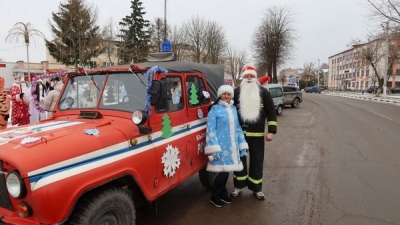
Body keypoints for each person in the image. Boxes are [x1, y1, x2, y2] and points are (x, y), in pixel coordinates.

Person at [231, 65, 277, 200]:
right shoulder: (236, 92)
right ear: (243, 78)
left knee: (257, 161)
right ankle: (238, 186)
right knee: (239, 161)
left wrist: (271, 131)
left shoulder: (263, 92)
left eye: (251, 76)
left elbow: (271, 112)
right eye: (247, 76)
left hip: (257, 135)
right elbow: (228, 111)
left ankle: (257, 188)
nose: (249, 79)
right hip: (240, 135)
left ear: (255, 78)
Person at [204, 85, 249, 208]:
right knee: (222, 173)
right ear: (220, 95)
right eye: (224, 94)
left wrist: (242, 143)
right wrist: (214, 147)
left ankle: (223, 194)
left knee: (227, 171)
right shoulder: (214, 109)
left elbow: (238, 127)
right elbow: (211, 128)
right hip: (220, 146)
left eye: (228, 94)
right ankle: (214, 196)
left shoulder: (233, 108)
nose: (226, 96)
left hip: (232, 146)